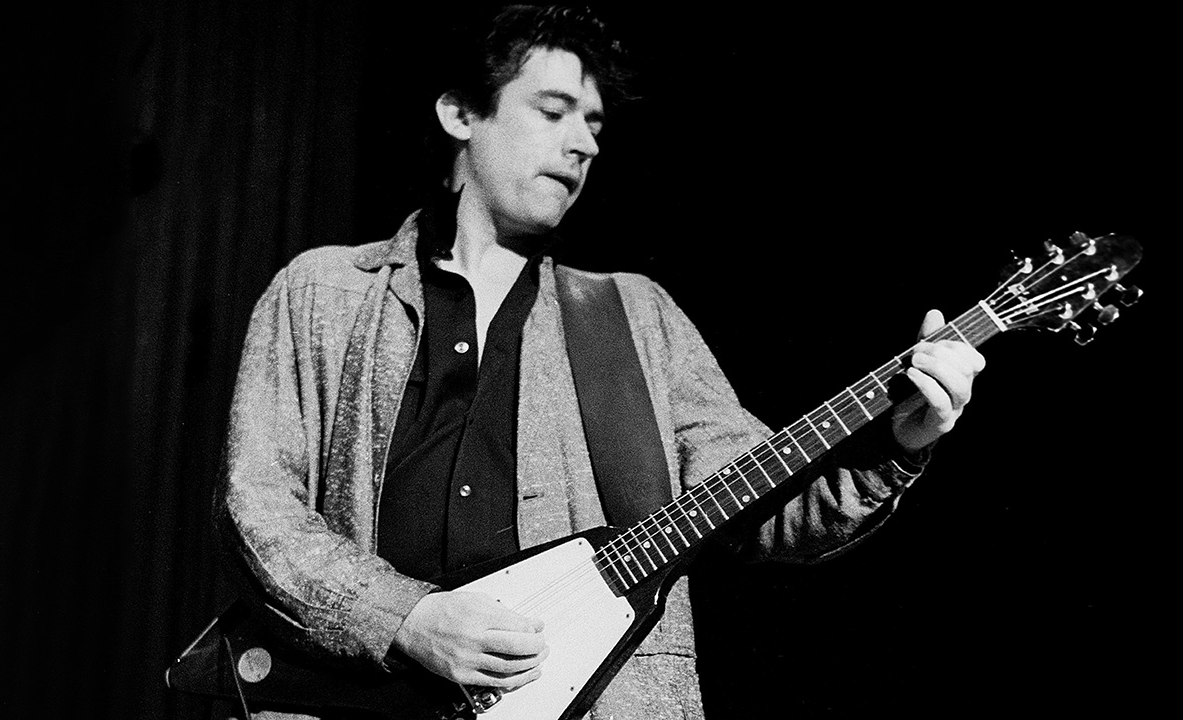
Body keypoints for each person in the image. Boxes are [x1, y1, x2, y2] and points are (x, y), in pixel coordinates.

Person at [216, 6, 986, 719]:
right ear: (461, 114)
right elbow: (261, 511)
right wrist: (407, 620)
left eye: (593, 125)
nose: (583, 142)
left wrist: (900, 440)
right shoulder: (322, 293)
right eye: (552, 113)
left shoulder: (633, 317)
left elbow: (768, 507)